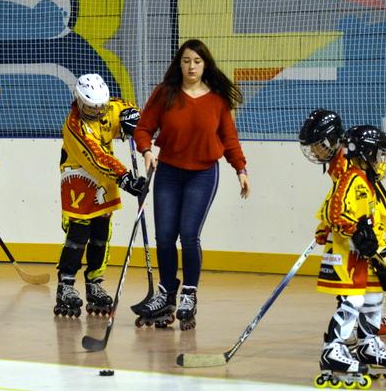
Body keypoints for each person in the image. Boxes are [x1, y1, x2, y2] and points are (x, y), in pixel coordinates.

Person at [132, 39, 249, 330]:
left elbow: (229, 138)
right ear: (179, 64)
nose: (191, 67)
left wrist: (240, 169)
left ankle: (189, 294)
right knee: (164, 236)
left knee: (188, 235)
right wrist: (146, 151)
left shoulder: (217, 100)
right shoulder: (165, 93)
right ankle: (166, 293)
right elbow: (144, 128)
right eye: (186, 61)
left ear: (205, 64)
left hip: (202, 175)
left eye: (197, 61)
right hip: (169, 173)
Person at [312, 125, 386, 388]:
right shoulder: (351, 179)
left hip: (363, 256)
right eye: (377, 154)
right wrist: (356, 232)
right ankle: (333, 348)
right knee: (352, 300)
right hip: (347, 255)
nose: (381, 160)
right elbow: (335, 212)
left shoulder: (368, 182)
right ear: (365, 154)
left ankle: (368, 344)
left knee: (373, 297)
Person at [54, 73, 147, 317]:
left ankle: (95, 282)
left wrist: (133, 118)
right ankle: (66, 284)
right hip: (78, 174)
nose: (97, 111)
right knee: (79, 231)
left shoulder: (108, 107)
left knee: (101, 232)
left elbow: (127, 109)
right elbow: (97, 157)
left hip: (106, 176)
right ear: (79, 101)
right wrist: (125, 178)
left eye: (100, 106)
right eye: (91, 107)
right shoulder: (75, 126)